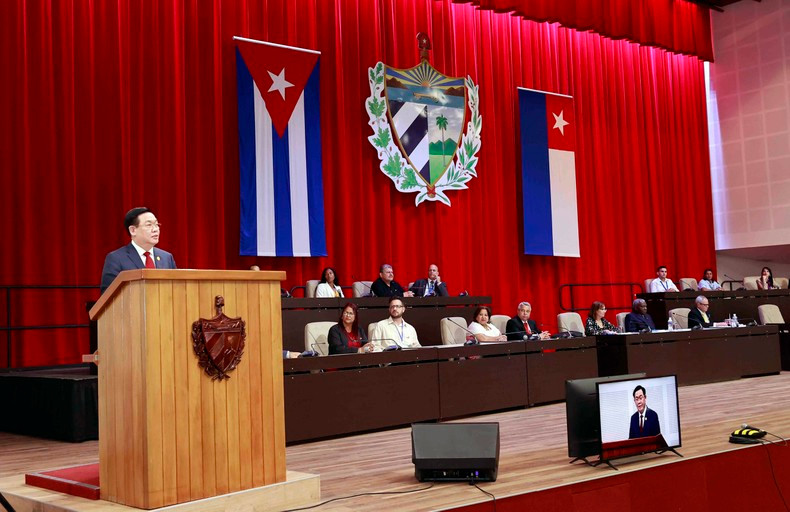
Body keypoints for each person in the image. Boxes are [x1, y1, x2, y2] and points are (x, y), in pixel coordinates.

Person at [100, 207, 176, 294]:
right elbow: (108, 296)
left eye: (156, 224)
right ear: (133, 230)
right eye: (149, 225)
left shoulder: (166, 257)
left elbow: (175, 290)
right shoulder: (116, 259)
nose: (155, 229)